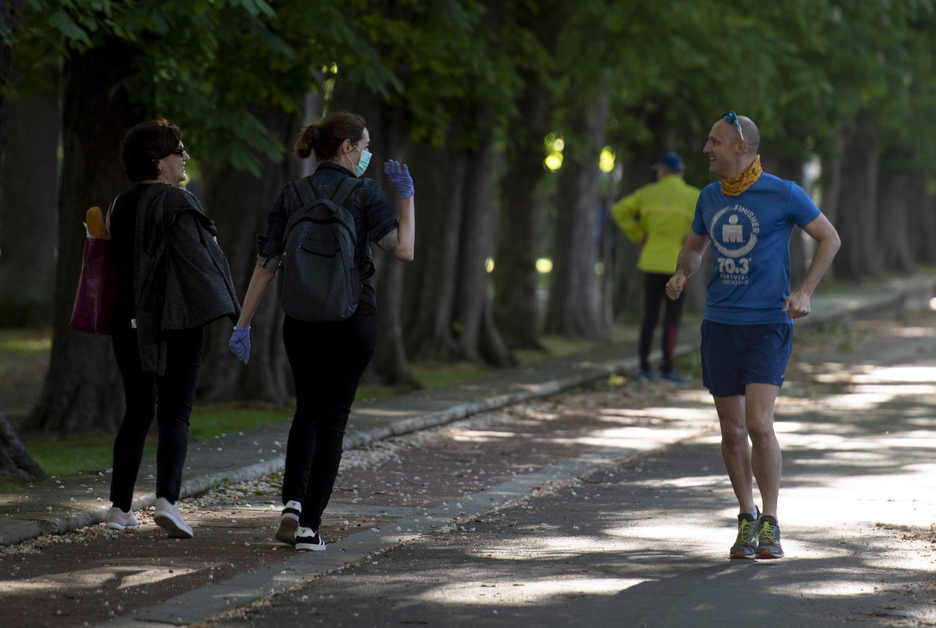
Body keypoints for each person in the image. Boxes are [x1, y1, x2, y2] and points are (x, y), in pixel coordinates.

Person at [228, 111, 415, 553]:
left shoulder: (292, 193)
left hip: (302, 322)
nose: (368, 154)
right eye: (365, 146)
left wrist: (243, 323)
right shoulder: (365, 192)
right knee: (333, 420)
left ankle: (292, 505)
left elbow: (267, 264)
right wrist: (407, 197)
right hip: (354, 321)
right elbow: (403, 250)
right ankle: (310, 528)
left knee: (306, 411)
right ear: (347, 147)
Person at [666, 112, 840, 560]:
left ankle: (771, 522)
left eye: (714, 142)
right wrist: (682, 272)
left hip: (767, 323)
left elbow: (830, 238)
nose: (707, 149)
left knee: (760, 424)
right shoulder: (709, 196)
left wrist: (804, 291)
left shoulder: (783, 193)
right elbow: (694, 247)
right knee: (731, 430)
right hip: (720, 324)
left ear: (740, 147)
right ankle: (746, 515)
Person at [104, 119, 242, 538]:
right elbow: (202, 266)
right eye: (178, 151)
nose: (184, 157)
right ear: (157, 161)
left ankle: (119, 508)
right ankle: (167, 501)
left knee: (138, 410)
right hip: (175, 321)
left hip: (127, 322)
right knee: (175, 412)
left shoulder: (118, 204)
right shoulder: (179, 203)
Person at [612, 152, 699, 384]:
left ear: (663, 171)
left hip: (651, 261)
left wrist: (639, 235)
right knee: (672, 318)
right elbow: (707, 222)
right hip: (678, 267)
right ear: (680, 172)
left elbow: (619, 210)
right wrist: (689, 239)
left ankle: (643, 366)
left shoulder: (648, 193)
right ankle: (667, 369)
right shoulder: (694, 196)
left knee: (649, 317)